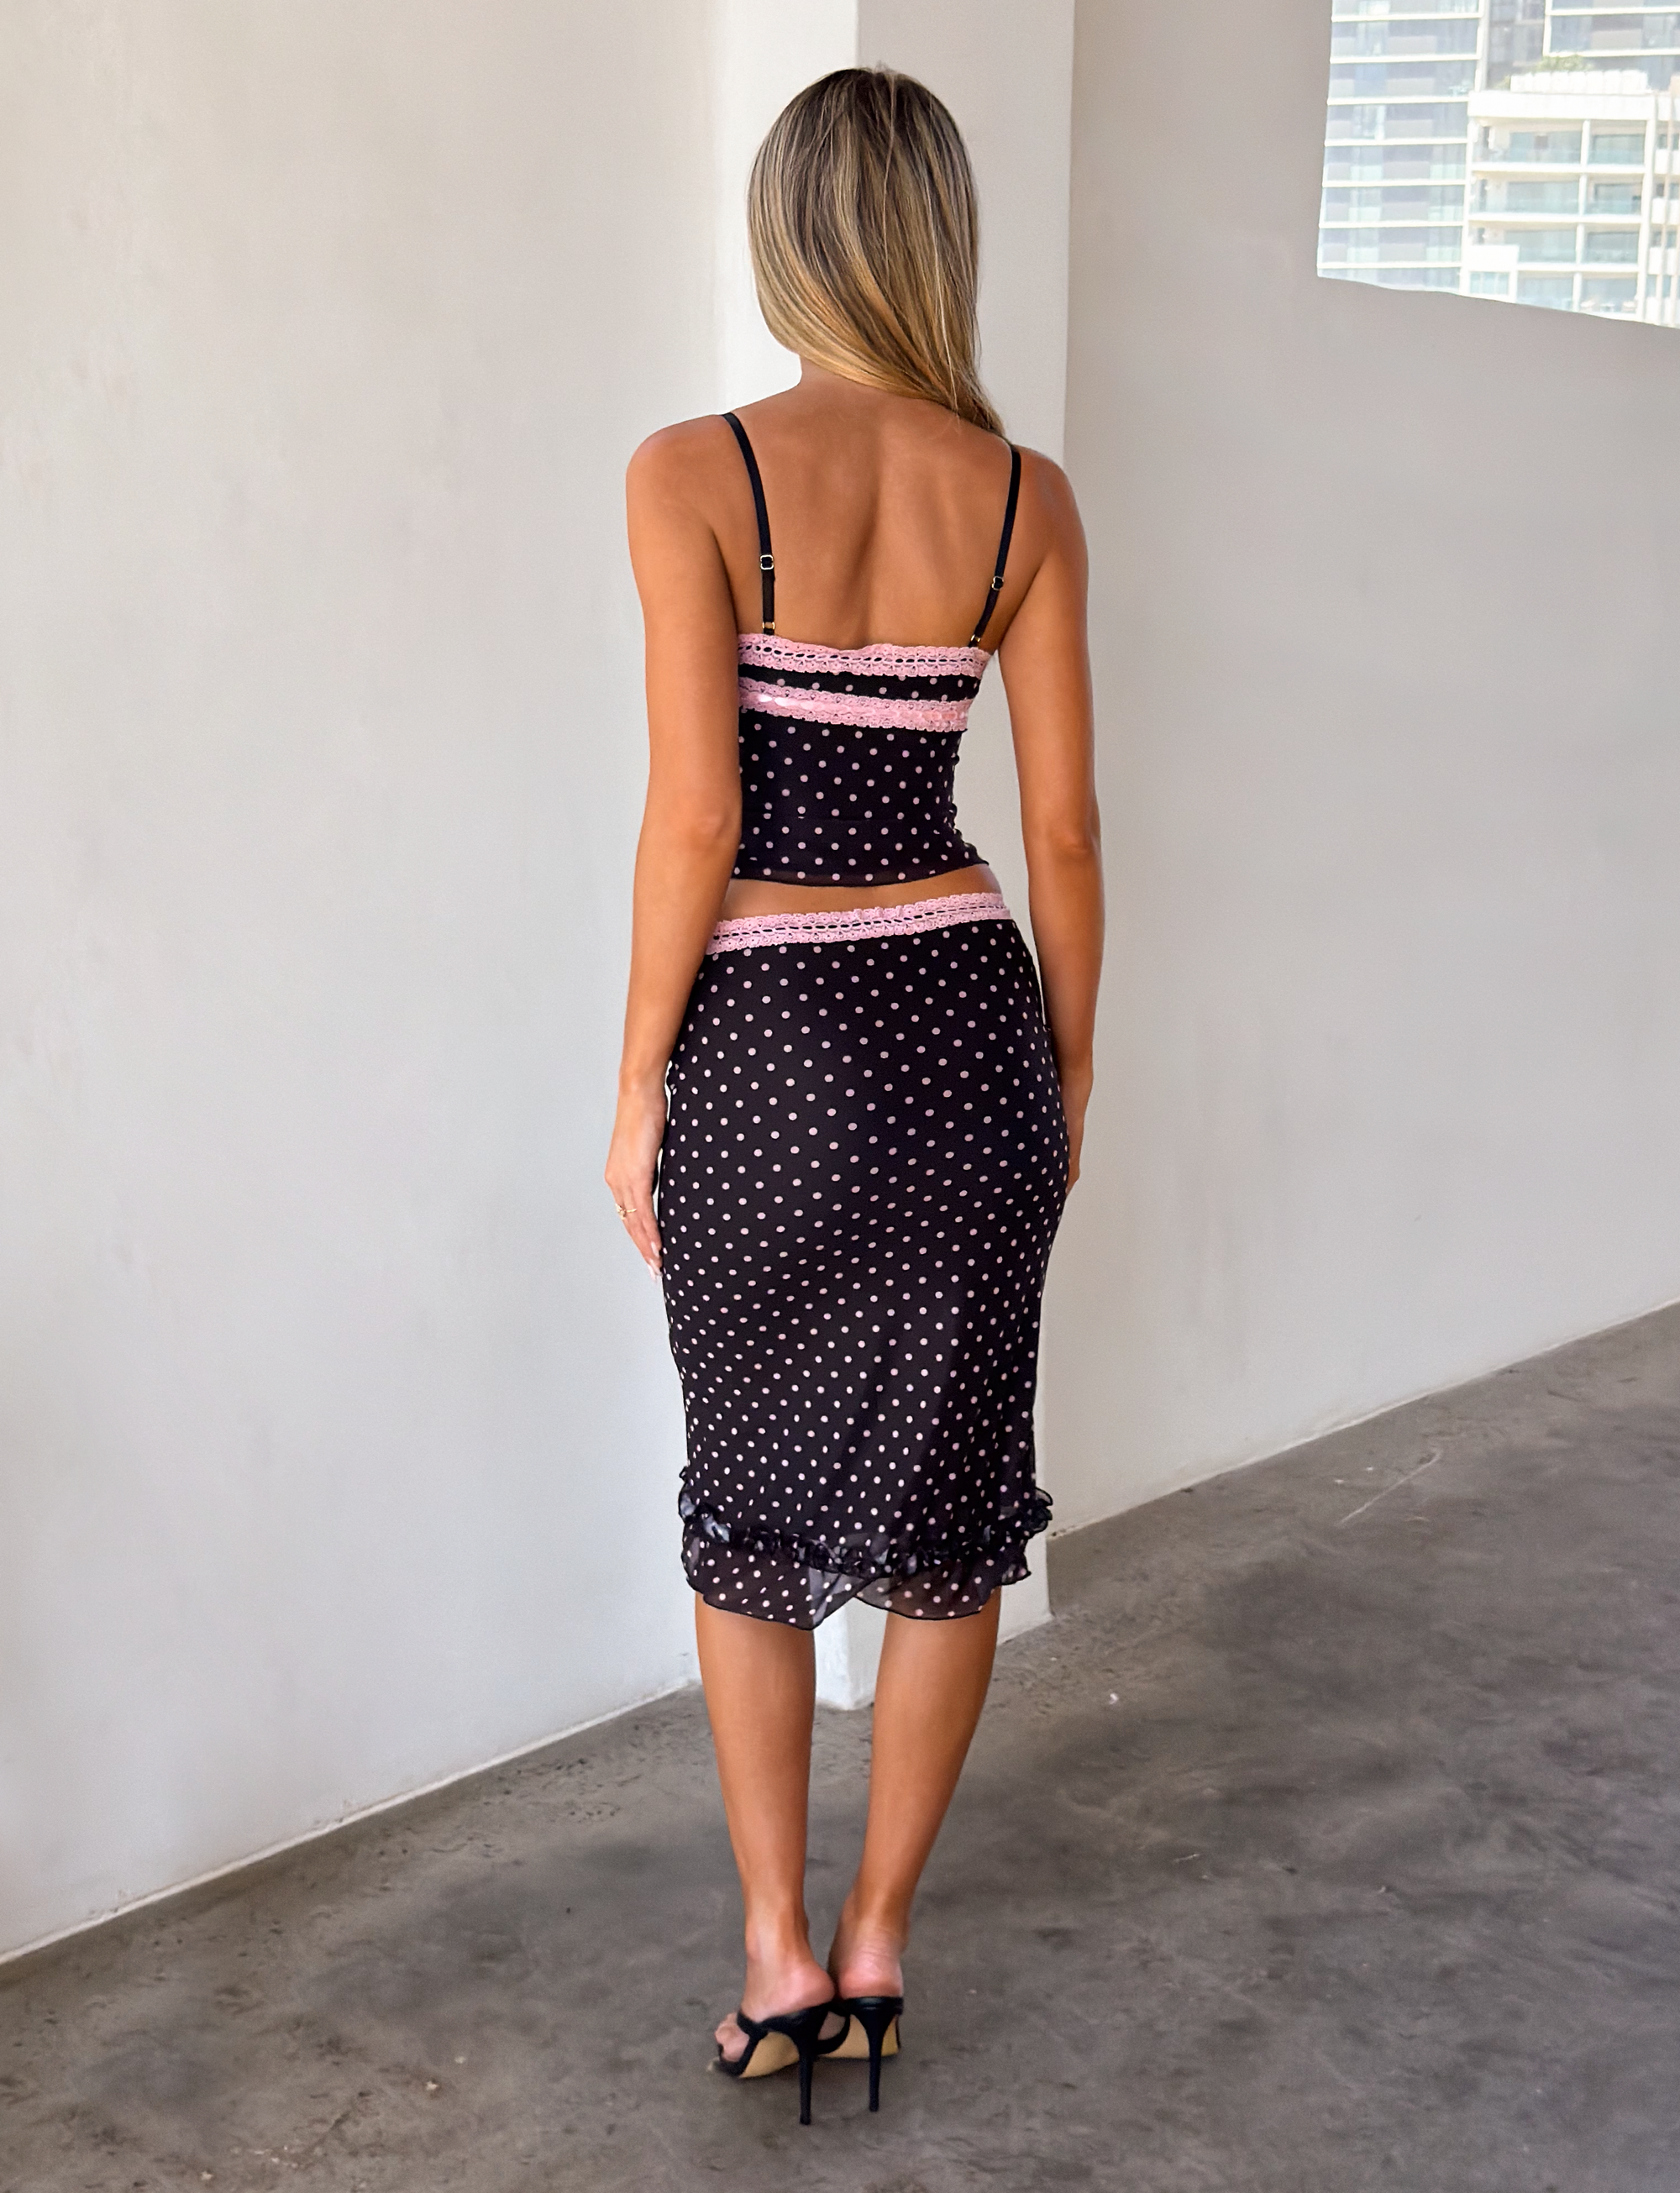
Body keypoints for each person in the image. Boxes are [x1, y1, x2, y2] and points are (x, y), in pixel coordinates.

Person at [606, 66, 1101, 2125]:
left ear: (783, 232)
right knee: (951, 1514)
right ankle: (884, 1938)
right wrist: (1062, 1082)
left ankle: (775, 1951)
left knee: (746, 1501)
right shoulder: (1019, 496)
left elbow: (696, 815)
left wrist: (636, 1079)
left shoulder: (691, 469)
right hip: (968, 1031)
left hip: (772, 1056)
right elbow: (1060, 833)